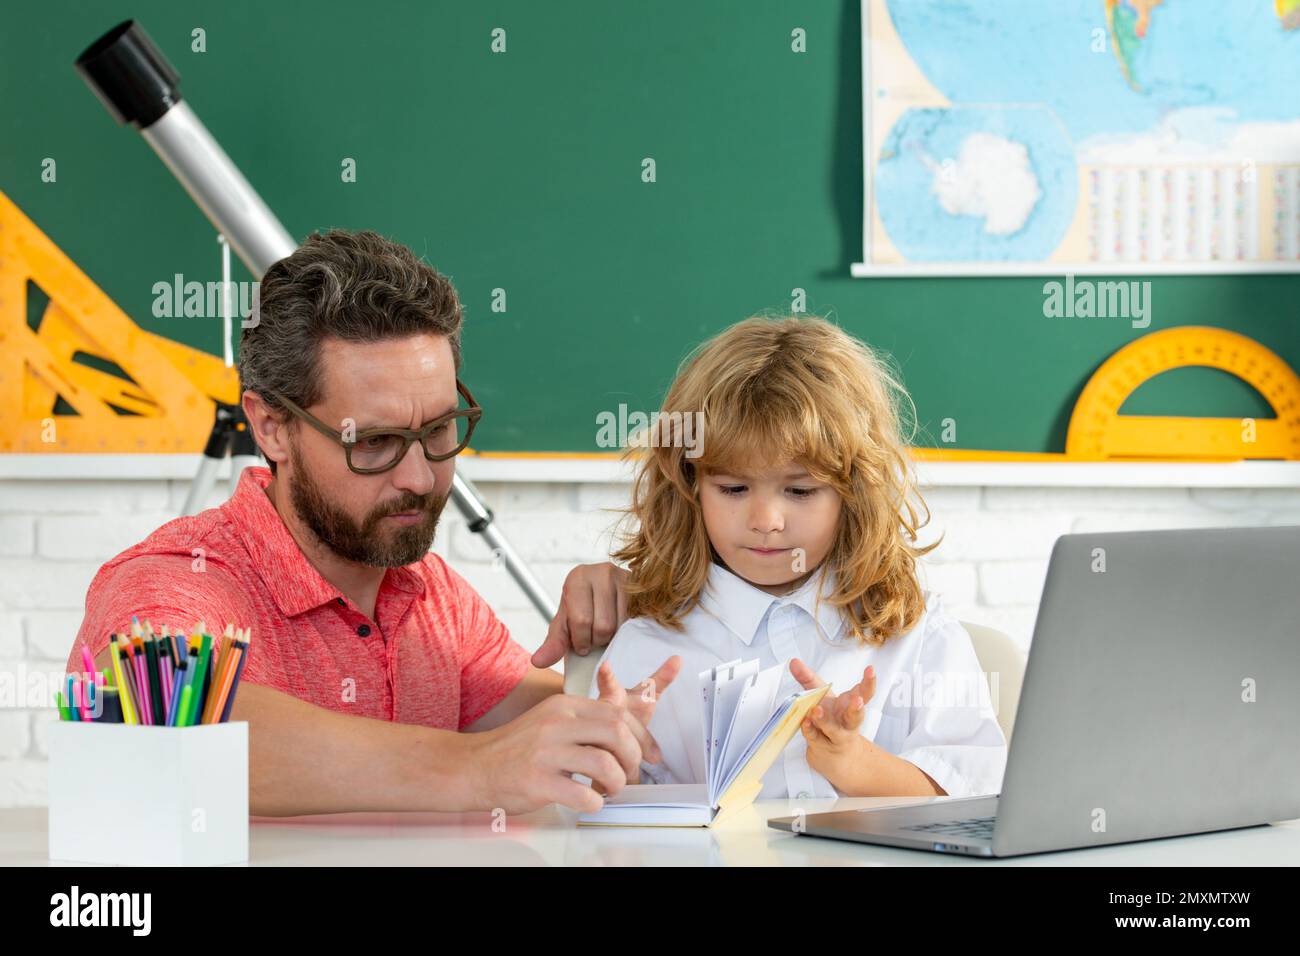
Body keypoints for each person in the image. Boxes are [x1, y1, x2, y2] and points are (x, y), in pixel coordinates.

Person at [68, 229, 676, 816]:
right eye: (377, 441)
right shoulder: (173, 580)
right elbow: (169, 722)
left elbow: (554, 739)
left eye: (437, 430)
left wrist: (610, 656)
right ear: (272, 426)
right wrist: (472, 767)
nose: (418, 476)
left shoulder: (433, 596)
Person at [584, 316, 1008, 798]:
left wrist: (853, 762)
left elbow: (971, 796)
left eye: (801, 490)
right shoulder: (648, 644)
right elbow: (601, 817)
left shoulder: (918, 632)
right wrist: (611, 766)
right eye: (733, 488)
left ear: (855, 493)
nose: (766, 519)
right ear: (689, 487)